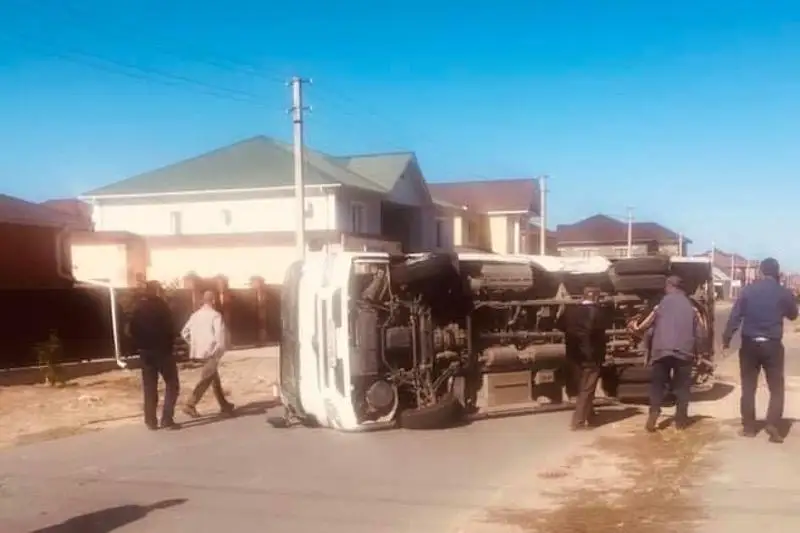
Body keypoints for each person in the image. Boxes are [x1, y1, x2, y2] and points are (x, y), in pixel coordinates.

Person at [722, 257, 798, 443]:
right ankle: (772, 423)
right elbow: (793, 315)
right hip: (772, 345)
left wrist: (726, 339)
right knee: (776, 388)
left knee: (748, 387)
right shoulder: (783, 292)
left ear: (761, 272)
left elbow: (735, 317)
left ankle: (749, 427)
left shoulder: (748, 291)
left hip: (750, 345)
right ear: (777, 273)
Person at [641, 275, 699, 433]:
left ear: (669, 286)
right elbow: (700, 331)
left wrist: (647, 348)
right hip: (684, 351)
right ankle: (681, 420)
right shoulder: (691, 306)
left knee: (658, 384)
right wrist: (699, 353)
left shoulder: (661, 304)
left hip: (661, 350)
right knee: (682, 386)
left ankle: (654, 412)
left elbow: (647, 327)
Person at [556, 284, 610, 430]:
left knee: (582, 385)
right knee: (587, 388)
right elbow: (600, 332)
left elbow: (559, 325)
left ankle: (589, 414)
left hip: (574, 355)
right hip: (591, 356)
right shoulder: (598, 313)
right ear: (597, 297)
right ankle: (578, 421)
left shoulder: (570, 311)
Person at [129, 281, 180, 430]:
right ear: (157, 291)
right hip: (163, 351)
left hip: (145, 352)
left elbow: (132, 329)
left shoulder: (138, 307)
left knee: (149, 386)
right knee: (172, 383)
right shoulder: (162, 306)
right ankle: (167, 418)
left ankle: (150, 420)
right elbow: (170, 328)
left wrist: (139, 344)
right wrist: (170, 344)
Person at [181, 290, 235, 418]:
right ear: (214, 301)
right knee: (206, 379)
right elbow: (220, 337)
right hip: (211, 351)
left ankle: (224, 404)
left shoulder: (195, 315)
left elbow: (184, 332)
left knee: (213, 378)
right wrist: (219, 351)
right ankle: (190, 404)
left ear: (203, 301)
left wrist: (193, 343)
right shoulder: (215, 316)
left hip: (198, 351)